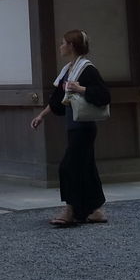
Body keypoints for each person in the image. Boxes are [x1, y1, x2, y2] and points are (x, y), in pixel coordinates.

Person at [30, 29, 110, 227]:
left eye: (63, 43)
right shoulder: (68, 70)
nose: (60, 46)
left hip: (84, 128)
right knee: (86, 167)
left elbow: (104, 95)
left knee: (68, 166)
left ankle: (70, 209)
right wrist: (41, 116)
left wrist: (79, 88)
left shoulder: (87, 69)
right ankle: (96, 210)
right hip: (73, 126)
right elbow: (58, 99)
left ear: (72, 46)